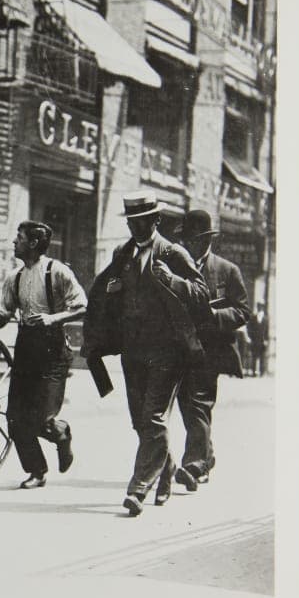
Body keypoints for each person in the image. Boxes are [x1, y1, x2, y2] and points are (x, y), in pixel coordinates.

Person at [81, 192, 209, 517]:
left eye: (142, 221)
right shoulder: (122, 254)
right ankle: (166, 469)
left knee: (153, 417)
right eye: (131, 222)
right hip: (133, 351)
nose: (136, 228)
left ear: (156, 220)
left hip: (168, 351)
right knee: (140, 421)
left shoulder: (173, 253)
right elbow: (104, 294)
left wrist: (174, 281)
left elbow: (202, 294)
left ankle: (138, 489)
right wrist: (112, 292)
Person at [0, 221, 87, 489]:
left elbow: (82, 306)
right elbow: (6, 312)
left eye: (19, 238)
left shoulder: (57, 271)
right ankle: (36, 471)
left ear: (34, 243)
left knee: (42, 419)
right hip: (26, 347)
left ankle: (61, 433)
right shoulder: (14, 277)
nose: (14, 242)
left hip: (53, 350)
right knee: (15, 419)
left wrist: (52, 318)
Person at [173, 210, 250, 488]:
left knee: (199, 404)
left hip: (210, 351)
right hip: (179, 349)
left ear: (207, 240)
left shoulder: (228, 270)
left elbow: (242, 311)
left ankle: (194, 465)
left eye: (196, 239)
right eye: (187, 240)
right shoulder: (175, 267)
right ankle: (206, 455)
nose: (191, 245)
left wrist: (215, 316)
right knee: (187, 405)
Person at [247, 301, 269, 377]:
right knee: (254, 356)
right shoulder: (253, 317)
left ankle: (262, 372)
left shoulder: (265, 319)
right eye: (259, 307)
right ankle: (254, 372)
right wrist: (250, 337)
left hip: (262, 340)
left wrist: (266, 340)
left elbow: (267, 330)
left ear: (263, 308)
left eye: (261, 307)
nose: (260, 308)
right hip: (254, 340)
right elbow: (249, 328)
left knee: (262, 356)